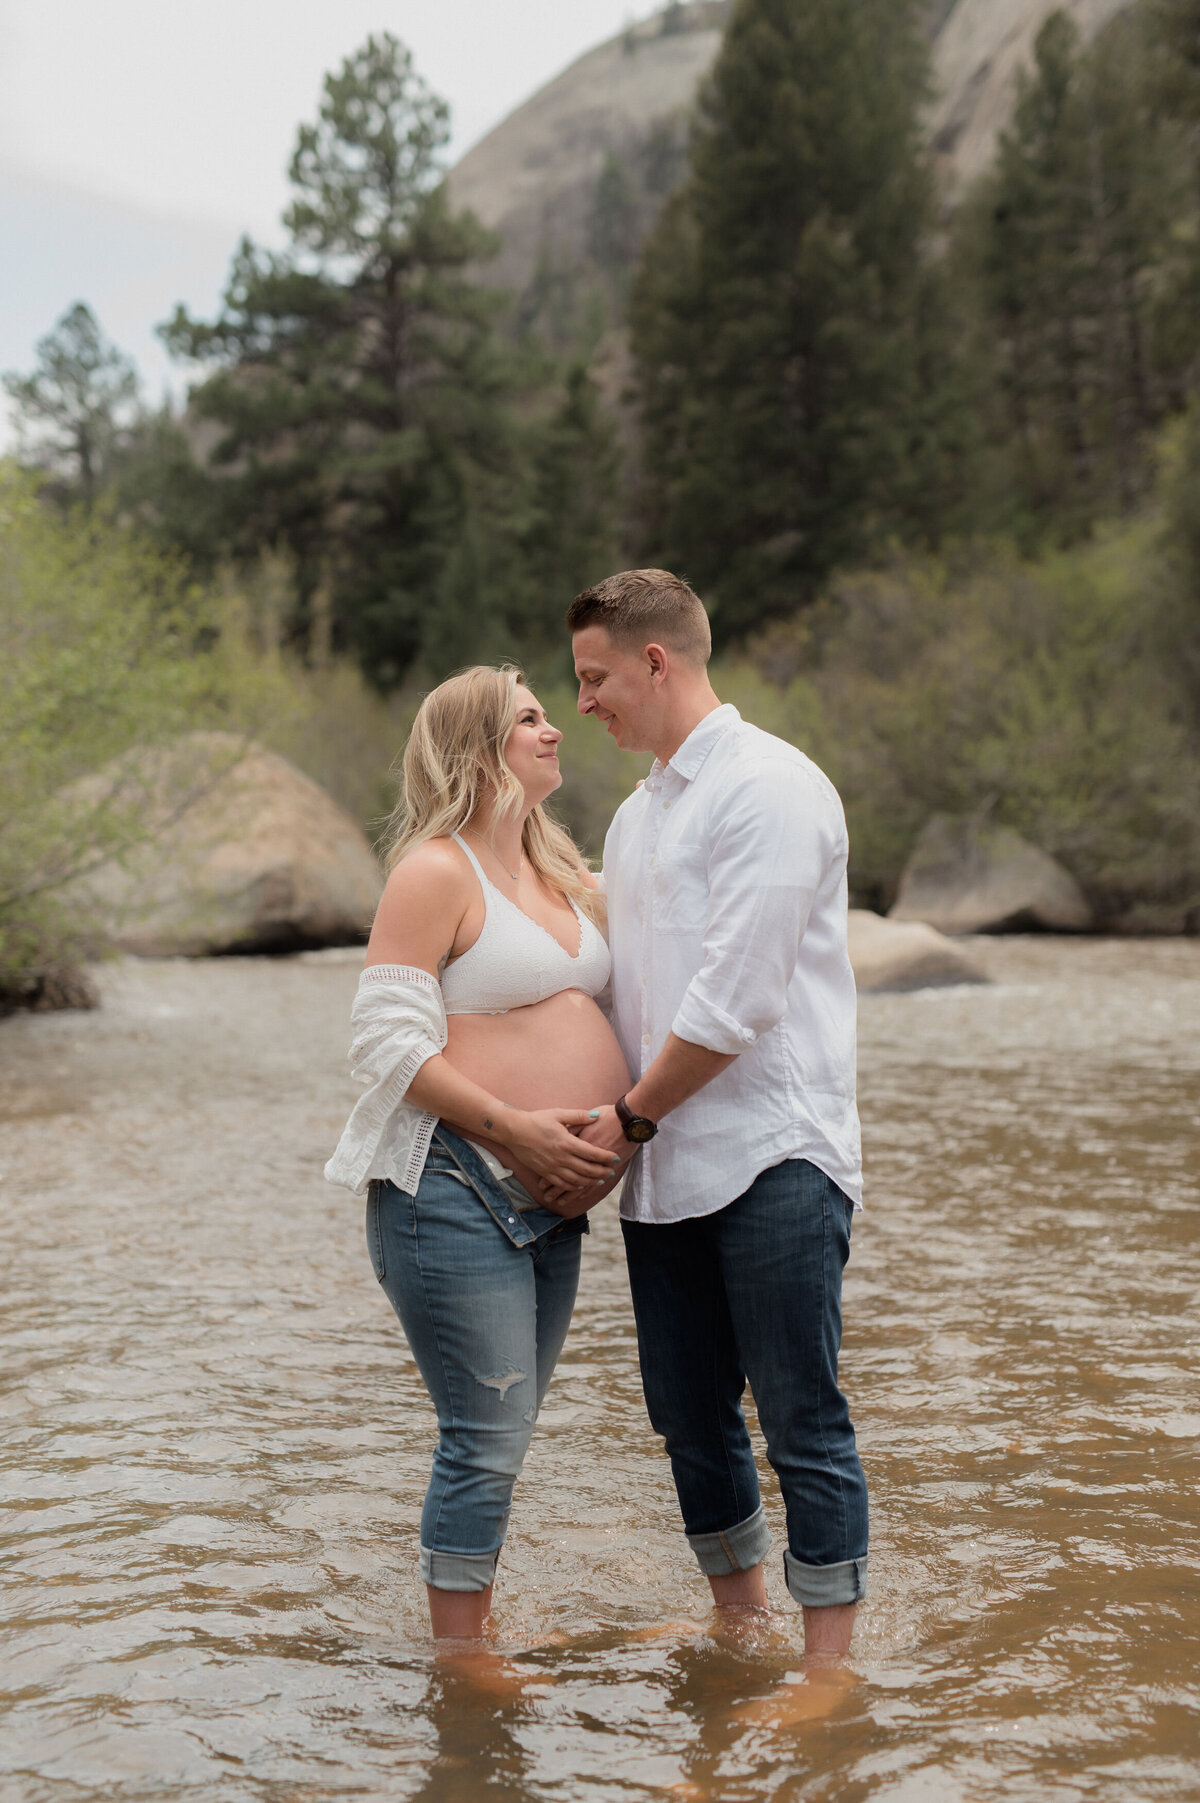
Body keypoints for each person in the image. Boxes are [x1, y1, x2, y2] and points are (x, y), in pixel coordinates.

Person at [560, 568, 869, 1659]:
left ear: (657, 660)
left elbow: (737, 998)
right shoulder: (636, 818)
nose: (582, 702)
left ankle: (826, 1667)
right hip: (662, 1164)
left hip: (775, 1150)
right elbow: (624, 984)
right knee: (687, 1419)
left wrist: (628, 1119)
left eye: (595, 677)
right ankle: (741, 1626)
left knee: (800, 1417)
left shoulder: (770, 786)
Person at [325, 665, 631, 1641]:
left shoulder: (562, 871)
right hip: (453, 1185)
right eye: (530, 719)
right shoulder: (435, 871)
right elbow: (384, 1045)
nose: (556, 730)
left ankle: (472, 1625)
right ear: (475, 747)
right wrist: (513, 1126)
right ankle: (461, 1664)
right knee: (485, 1437)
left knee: (506, 1435)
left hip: (554, 1196)